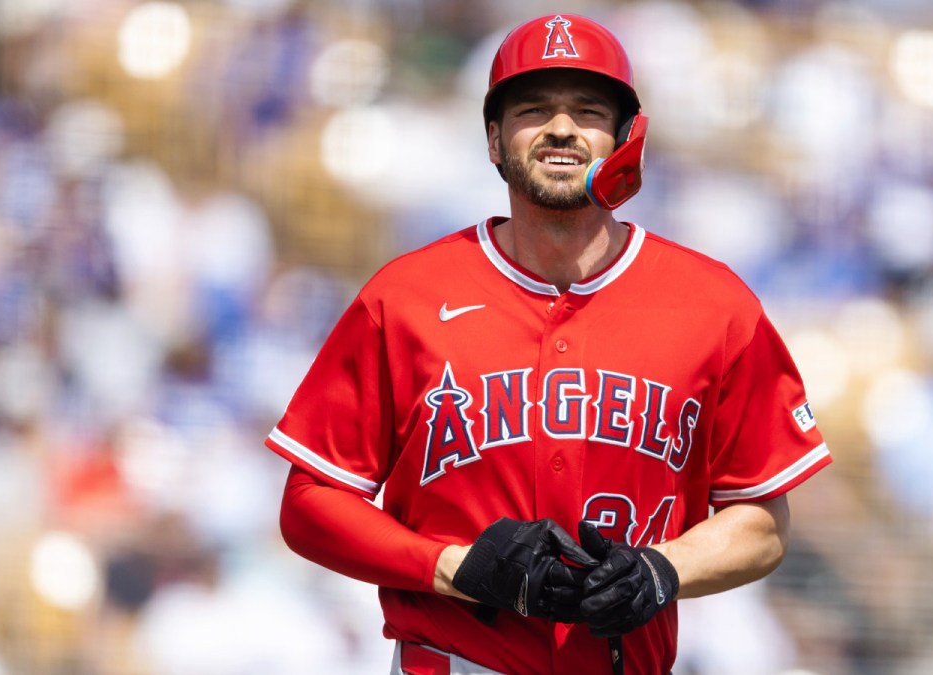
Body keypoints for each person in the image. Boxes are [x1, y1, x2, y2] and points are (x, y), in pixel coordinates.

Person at [265, 12, 831, 675]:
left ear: (625, 138)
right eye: (533, 108)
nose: (561, 127)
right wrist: (452, 565)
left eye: (588, 110)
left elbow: (762, 520)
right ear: (493, 139)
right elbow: (309, 503)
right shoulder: (405, 296)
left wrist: (663, 568)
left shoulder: (716, 306)